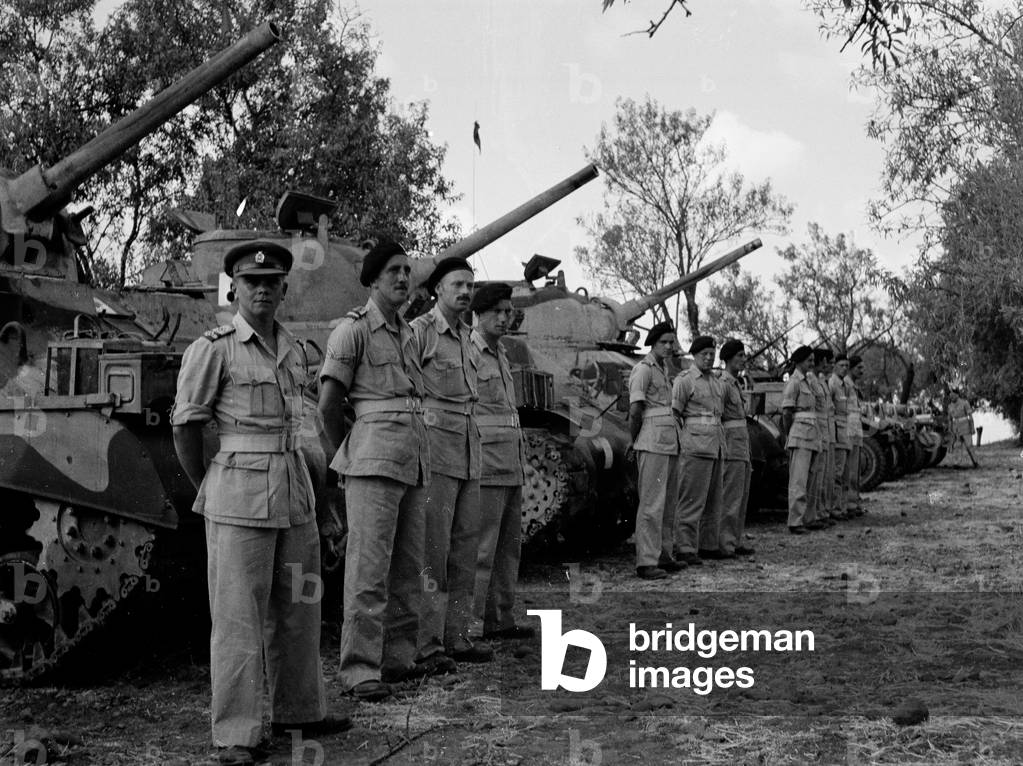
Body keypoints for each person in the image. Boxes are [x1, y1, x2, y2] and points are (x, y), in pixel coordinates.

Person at [172, 240, 348, 765]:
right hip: (237, 495)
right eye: (252, 282)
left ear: (285, 290)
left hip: (294, 490)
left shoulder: (293, 348)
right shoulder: (214, 347)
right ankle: (236, 733)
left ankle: (300, 711)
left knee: (299, 609)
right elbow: (187, 425)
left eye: (272, 282)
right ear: (235, 288)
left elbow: (302, 421)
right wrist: (212, 481)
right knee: (237, 618)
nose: (263, 289)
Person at [318, 236, 431, 702]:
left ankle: (398, 658)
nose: (403, 278)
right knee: (367, 570)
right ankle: (360, 668)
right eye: (393, 272)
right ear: (371, 280)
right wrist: (347, 452)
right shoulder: (352, 331)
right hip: (371, 462)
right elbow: (328, 404)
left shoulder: (408, 332)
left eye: (407, 270)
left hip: (411, 459)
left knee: (407, 568)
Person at [410, 257, 492, 666]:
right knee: (433, 553)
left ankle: (457, 637)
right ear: (436, 290)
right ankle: (427, 645)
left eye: (469, 286)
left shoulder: (467, 338)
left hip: (468, 453)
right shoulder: (420, 334)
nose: (465, 292)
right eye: (457, 285)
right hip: (435, 454)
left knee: (464, 552)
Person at [470, 283, 535, 638]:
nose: (505, 317)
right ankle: (473, 624)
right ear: (478, 314)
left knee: (508, 550)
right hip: (485, 462)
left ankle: (501, 618)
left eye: (508, 311)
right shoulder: (469, 352)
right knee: (480, 550)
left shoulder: (501, 354)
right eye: (498, 311)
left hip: (510, 463)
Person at [628, 321, 686, 580]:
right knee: (651, 504)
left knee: (669, 503)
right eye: (664, 342)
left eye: (672, 342)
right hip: (651, 440)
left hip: (669, 440)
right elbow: (635, 410)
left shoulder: (664, 370)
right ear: (653, 342)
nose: (669, 346)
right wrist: (634, 439)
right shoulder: (643, 370)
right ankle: (646, 561)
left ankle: (664, 554)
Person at [672, 335, 727, 563]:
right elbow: (675, 414)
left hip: (715, 445)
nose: (708, 358)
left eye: (711, 354)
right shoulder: (685, 380)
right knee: (691, 499)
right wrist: (680, 444)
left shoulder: (716, 382)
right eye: (704, 354)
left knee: (714, 500)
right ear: (694, 356)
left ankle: (708, 544)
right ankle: (684, 547)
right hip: (694, 446)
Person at [718, 339, 754, 556]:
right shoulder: (723, 384)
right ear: (729, 358)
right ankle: (724, 542)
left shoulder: (736, 383)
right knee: (730, 496)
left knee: (741, 495)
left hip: (741, 443)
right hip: (731, 444)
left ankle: (735, 539)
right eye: (739, 355)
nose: (743, 359)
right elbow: (719, 416)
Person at [781, 346, 821, 534]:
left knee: (811, 480)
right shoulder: (794, 382)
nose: (812, 364)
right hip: (799, 434)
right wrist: (788, 434)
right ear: (799, 362)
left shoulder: (809, 382)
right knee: (798, 480)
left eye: (813, 360)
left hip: (812, 435)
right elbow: (787, 412)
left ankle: (809, 517)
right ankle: (795, 521)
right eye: (809, 361)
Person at [829, 354, 852, 519]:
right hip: (837, 432)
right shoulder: (832, 384)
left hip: (846, 432)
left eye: (846, 365)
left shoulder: (845, 385)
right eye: (841, 365)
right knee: (837, 473)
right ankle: (835, 509)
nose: (844, 368)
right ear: (835, 366)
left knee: (845, 473)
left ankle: (842, 508)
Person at [845, 355, 866, 516]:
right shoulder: (845, 384)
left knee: (855, 468)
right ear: (851, 368)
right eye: (859, 367)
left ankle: (854, 501)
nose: (862, 371)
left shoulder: (853, 386)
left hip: (855, 430)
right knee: (849, 469)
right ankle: (848, 503)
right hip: (847, 430)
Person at [947, 389, 980, 468]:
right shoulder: (950, 406)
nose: (951, 397)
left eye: (953, 395)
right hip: (956, 429)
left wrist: (972, 428)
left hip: (965, 427)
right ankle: (957, 463)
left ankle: (975, 462)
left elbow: (970, 416)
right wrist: (950, 428)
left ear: (957, 395)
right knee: (957, 446)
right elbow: (950, 419)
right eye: (950, 396)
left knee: (969, 446)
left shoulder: (965, 403)